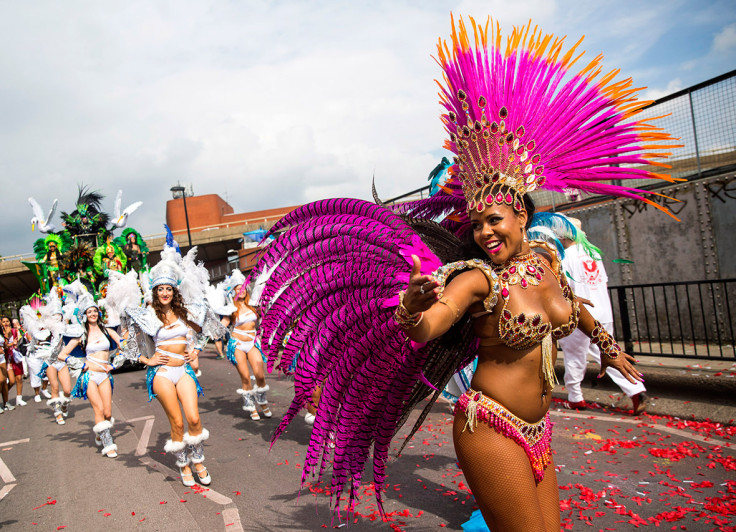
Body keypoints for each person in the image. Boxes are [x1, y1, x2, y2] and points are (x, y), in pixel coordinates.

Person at [120, 246, 214, 487]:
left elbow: (206, 328)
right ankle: (183, 465)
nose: (164, 293)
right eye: (160, 289)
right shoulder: (147, 316)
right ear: (155, 291)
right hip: (161, 373)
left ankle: (199, 461)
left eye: (168, 289)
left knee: (193, 418)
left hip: (184, 370)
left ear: (174, 291)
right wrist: (148, 360)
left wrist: (196, 350)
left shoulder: (184, 313)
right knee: (178, 422)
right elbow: (129, 345)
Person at [547, 215, 649, 414]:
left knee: (574, 356)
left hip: (580, 314)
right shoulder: (593, 253)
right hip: (603, 310)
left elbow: (563, 289)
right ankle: (636, 390)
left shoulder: (564, 257)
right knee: (609, 353)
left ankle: (575, 397)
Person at [59, 295, 124, 458]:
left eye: (95, 311)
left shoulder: (107, 330)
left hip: (105, 375)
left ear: (99, 313)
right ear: (85, 315)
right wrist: (80, 365)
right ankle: (108, 444)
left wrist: (115, 363)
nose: (93, 314)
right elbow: (62, 354)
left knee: (108, 413)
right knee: (99, 409)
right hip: (89, 376)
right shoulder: (81, 335)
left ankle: (100, 432)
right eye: (89, 312)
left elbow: (124, 344)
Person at [221, 277, 272, 421]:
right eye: (238, 288)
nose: (241, 290)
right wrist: (214, 328)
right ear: (234, 291)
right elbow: (223, 324)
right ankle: (251, 406)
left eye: (243, 287)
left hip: (252, 342)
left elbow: (265, 318)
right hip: (237, 344)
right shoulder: (231, 309)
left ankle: (262, 402)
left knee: (260, 375)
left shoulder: (253, 305)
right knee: (245, 377)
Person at [1, 316, 27, 406]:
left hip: (16, 357)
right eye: (3, 321)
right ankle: (4, 395)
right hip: (7, 359)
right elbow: (5, 346)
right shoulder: (2, 333)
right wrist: (11, 342)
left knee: (19, 378)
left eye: (7, 321)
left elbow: (24, 336)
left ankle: (19, 398)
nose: (6, 323)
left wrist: (19, 328)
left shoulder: (14, 331)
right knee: (11, 381)